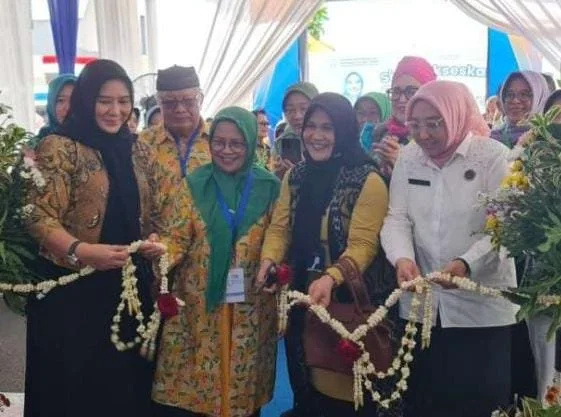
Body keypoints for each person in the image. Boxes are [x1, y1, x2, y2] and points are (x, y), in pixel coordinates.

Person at [23, 59, 184, 417]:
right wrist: (82, 250)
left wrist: (154, 238)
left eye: (124, 101)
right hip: (72, 291)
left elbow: (158, 210)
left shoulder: (139, 150)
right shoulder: (59, 147)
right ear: (86, 100)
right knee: (75, 389)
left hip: (127, 289)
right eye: (104, 101)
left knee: (124, 387)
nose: (115, 111)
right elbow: (37, 215)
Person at [381, 80, 518, 417]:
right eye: (415, 125)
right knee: (427, 399)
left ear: (455, 115)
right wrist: (402, 258)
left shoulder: (492, 157)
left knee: (480, 403)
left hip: (482, 309)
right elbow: (397, 218)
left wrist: (466, 264)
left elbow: (505, 227)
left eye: (434, 123)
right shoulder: (409, 158)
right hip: (423, 305)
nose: (423, 134)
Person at [257, 93, 391, 417]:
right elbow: (280, 228)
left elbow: (363, 245)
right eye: (311, 126)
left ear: (343, 130)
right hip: (304, 299)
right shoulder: (297, 176)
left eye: (327, 128)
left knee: (346, 396)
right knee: (307, 387)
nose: (317, 135)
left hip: (347, 304)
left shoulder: (366, 179)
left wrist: (331, 278)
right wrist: (268, 260)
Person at [152, 107, 280, 417]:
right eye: (219, 142)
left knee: (242, 393)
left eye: (236, 143)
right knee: (198, 390)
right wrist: (161, 251)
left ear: (251, 143)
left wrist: (275, 264)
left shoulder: (269, 188)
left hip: (250, 306)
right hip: (198, 307)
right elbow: (176, 237)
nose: (226, 150)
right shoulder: (194, 185)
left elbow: (280, 237)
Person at [139, 65, 211, 184]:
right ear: (159, 104)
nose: (180, 109)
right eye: (170, 102)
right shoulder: (144, 142)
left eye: (188, 101)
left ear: (200, 100)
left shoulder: (219, 139)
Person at [373, 56, 437, 177]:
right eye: (396, 91)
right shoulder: (380, 133)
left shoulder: (438, 136)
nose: (402, 99)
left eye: (411, 92)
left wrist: (405, 163)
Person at [491, 70, 550, 148]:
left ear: (539, 98)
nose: (515, 101)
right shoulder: (493, 138)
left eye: (524, 94)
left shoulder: (551, 140)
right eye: (510, 94)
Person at [273, 82, 319, 179]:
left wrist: (303, 170)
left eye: (304, 109)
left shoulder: (329, 140)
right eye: (290, 110)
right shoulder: (280, 143)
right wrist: (279, 175)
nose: (297, 116)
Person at [33, 74, 77, 146]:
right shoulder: (37, 142)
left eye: (74, 100)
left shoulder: (92, 139)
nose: (68, 108)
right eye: (60, 100)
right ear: (51, 103)